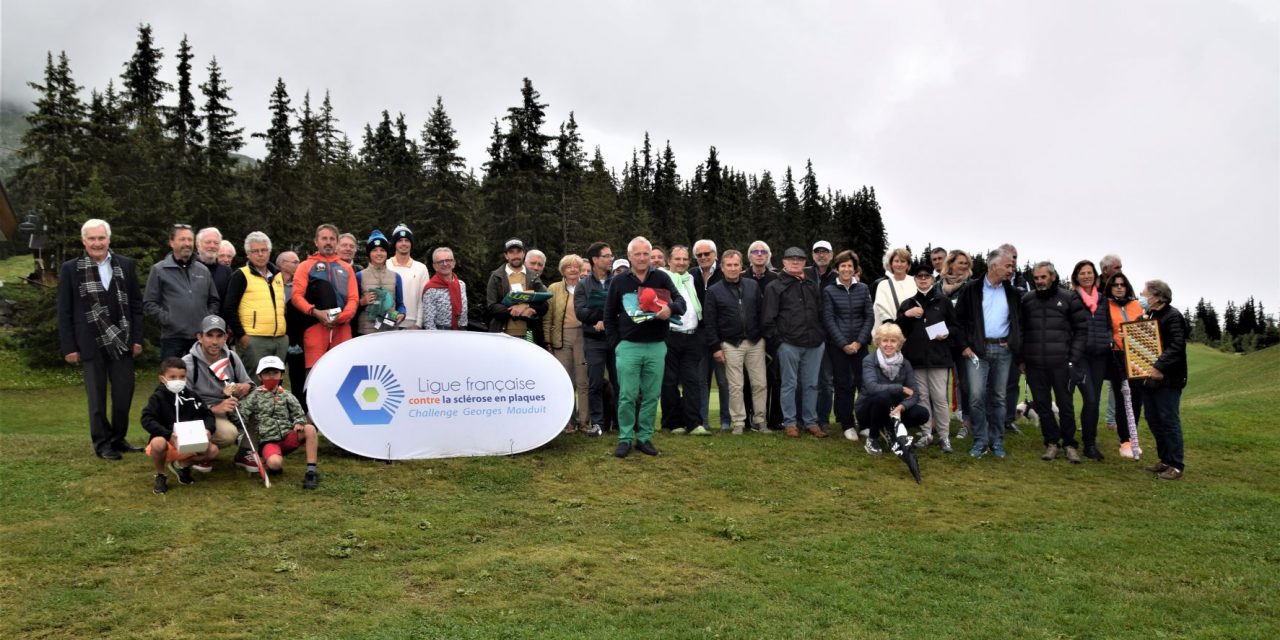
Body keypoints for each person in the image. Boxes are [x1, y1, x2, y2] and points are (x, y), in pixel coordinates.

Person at [57, 219, 145, 460]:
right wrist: (69, 346)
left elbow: (137, 305)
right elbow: (64, 311)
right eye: (92, 239)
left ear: (109, 239)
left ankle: (118, 438)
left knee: (123, 396)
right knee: (96, 398)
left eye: (101, 238)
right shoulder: (70, 269)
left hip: (122, 341)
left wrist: (137, 338)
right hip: (88, 343)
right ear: (84, 241)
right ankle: (102, 443)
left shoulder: (125, 265)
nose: (97, 243)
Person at [604, 236, 686, 458]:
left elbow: (681, 303)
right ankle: (624, 439)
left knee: (651, 395)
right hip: (628, 347)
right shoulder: (619, 282)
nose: (642, 258)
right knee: (627, 395)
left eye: (645, 254)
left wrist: (670, 308)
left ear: (651, 256)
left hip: (657, 346)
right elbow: (609, 316)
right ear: (629, 256)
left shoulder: (661, 277)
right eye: (637, 254)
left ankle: (644, 438)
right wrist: (616, 344)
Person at [953, 248, 1022, 459]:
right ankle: (980, 440)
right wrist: (964, 346)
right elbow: (958, 321)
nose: (1012, 269)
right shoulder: (971, 289)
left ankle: (997, 441)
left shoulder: (1013, 292)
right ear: (994, 266)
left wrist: (1012, 342)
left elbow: (1019, 323)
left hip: (1003, 350)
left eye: (1012, 265)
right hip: (976, 352)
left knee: (999, 398)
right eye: (1008, 265)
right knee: (975, 397)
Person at [1020, 261, 1088, 463]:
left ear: (1053, 276)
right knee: (1042, 406)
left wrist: (1072, 359)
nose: (1040, 281)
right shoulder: (1027, 299)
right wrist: (1021, 358)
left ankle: (1069, 444)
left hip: (1061, 364)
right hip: (1035, 364)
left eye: (1043, 277)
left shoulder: (1068, 297)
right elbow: (1021, 331)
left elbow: (1081, 330)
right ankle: (1051, 443)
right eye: (1037, 278)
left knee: (1065, 405)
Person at [763, 247, 827, 439]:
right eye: (791, 259)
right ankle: (790, 423)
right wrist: (780, 342)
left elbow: (821, 313)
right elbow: (767, 320)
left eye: (799, 259)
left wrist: (821, 335)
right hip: (789, 344)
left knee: (811, 385)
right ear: (783, 262)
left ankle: (810, 422)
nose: (795, 262)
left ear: (804, 262)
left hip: (814, 343)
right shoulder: (774, 287)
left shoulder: (811, 284)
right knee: (789, 384)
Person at [704, 250, 768, 435]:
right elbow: (710, 322)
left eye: (736, 265)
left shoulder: (752, 285)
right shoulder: (714, 291)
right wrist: (716, 347)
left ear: (741, 267)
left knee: (760, 384)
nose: (733, 268)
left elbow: (760, 312)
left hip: (755, 342)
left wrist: (762, 336)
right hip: (730, 344)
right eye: (729, 265)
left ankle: (760, 421)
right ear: (722, 268)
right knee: (736, 386)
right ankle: (739, 422)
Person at [182, 315, 257, 473]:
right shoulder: (188, 363)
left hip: (231, 405)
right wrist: (213, 409)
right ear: (200, 337)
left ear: (226, 338)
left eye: (219, 336)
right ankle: (201, 452)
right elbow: (183, 404)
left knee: (260, 404)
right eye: (209, 335)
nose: (214, 342)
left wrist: (244, 387)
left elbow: (250, 383)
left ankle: (245, 452)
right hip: (202, 414)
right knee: (229, 434)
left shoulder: (232, 357)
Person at [896, 260, 957, 452]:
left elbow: (956, 327)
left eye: (927, 276)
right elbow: (897, 329)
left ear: (932, 278)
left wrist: (947, 333)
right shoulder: (907, 303)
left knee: (939, 398)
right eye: (919, 277)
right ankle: (926, 434)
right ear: (914, 280)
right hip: (915, 360)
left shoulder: (943, 302)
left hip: (939, 359)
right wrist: (907, 315)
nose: (923, 279)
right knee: (921, 398)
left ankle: (945, 437)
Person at [238, 356, 321, 489]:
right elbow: (242, 416)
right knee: (275, 464)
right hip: (268, 440)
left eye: (275, 373)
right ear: (259, 376)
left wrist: (298, 422)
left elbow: (298, 412)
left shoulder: (287, 395)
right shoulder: (254, 396)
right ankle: (270, 460)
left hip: (287, 436)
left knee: (310, 428)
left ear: (281, 375)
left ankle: (311, 472)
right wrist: (234, 408)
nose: (271, 377)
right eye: (267, 373)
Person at [142, 357, 219, 494]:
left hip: (188, 442)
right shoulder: (157, 397)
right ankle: (161, 475)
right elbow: (147, 419)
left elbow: (208, 414)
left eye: (182, 377)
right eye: (172, 377)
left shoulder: (192, 396)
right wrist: (167, 434)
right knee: (158, 442)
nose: (177, 380)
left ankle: (182, 466)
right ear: (162, 378)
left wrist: (208, 429)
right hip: (167, 442)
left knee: (213, 451)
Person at [291, 224, 359, 373]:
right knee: (314, 372)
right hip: (315, 324)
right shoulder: (305, 266)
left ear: (336, 242)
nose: (328, 242)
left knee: (343, 370)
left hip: (342, 326)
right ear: (316, 241)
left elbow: (353, 298)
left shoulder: (346, 268)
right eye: (324, 238)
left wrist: (341, 317)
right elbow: (296, 296)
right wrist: (315, 312)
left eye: (332, 239)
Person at [222, 231, 288, 382]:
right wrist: (242, 336)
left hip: (279, 339)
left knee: (276, 383)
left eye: (263, 250)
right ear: (248, 254)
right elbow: (229, 308)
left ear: (269, 252)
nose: (260, 254)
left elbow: (281, 306)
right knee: (253, 383)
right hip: (254, 339)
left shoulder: (277, 275)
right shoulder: (240, 275)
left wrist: (285, 335)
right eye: (255, 251)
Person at [823, 250, 874, 442]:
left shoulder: (863, 289)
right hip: (839, 347)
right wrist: (844, 343)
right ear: (837, 269)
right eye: (842, 266)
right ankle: (847, 423)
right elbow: (828, 319)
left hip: (860, 346)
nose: (846, 269)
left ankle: (865, 423)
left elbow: (869, 317)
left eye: (849, 266)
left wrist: (859, 342)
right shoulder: (829, 291)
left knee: (864, 384)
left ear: (854, 269)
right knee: (843, 385)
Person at [856, 322, 929, 455]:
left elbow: (915, 393)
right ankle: (873, 438)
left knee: (922, 413)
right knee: (883, 397)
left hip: (894, 409)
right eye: (885, 340)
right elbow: (872, 388)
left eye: (893, 341)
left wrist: (902, 407)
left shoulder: (905, 363)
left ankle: (893, 432)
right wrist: (900, 388)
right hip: (868, 409)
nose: (888, 344)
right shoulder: (869, 360)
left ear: (899, 343)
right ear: (878, 342)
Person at [1140, 279, 1187, 480]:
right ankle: (1165, 460)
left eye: (1145, 293)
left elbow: (1176, 346)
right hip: (1149, 378)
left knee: (1169, 420)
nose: (1141, 296)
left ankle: (1176, 465)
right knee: (1153, 419)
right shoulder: (1149, 315)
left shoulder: (1173, 316)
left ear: (1158, 296)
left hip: (1169, 378)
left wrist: (1159, 367)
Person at [660, 245, 707, 435]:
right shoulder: (662, 279)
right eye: (677, 259)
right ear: (669, 261)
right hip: (669, 335)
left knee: (692, 381)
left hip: (691, 337)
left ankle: (694, 423)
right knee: (669, 382)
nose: (681, 262)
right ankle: (674, 423)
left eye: (685, 259)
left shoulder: (692, 279)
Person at [544, 254, 590, 433]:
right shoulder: (554, 288)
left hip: (583, 337)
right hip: (561, 338)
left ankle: (585, 422)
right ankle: (567, 422)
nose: (572, 269)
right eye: (568, 266)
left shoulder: (586, 286)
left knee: (583, 381)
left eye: (576, 266)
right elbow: (548, 317)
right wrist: (548, 341)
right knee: (565, 382)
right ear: (562, 270)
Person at [1070, 259, 1109, 461]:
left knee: (1093, 403)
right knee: (1091, 399)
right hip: (1080, 357)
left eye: (1090, 272)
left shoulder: (1103, 300)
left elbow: (1109, 325)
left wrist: (1108, 341)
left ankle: (1090, 442)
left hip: (1100, 357)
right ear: (1076, 276)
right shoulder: (1072, 298)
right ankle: (1084, 442)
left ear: (1095, 275)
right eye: (1082, 273)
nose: (1086, 276)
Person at [1104, 271, 1146, 459]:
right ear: (1110, 288)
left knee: (1136, 398)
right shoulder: (1105, 305)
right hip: (1116, 357)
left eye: (1122, 284)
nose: (1119, 287)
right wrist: (1114, 338)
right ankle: (1125, 441)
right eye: (1115, 285)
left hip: (1137, 357)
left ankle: (1133, 437)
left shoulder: (1137, 305)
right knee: (1122, 397)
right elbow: (1104, 330)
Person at [576, 242, 616, 435]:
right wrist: (598, 319)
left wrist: (606, 320)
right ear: (595, 260)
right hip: (593, 340)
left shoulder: (618, 280)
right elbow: (581, 311)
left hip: (616, 339)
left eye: (611, 255)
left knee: (620, 382)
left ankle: (620, 423)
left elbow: (625, 307)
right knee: (595, 383)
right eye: (606, 256)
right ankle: (598, 423)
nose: (611, 259)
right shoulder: (583, 284)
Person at [692, 239, 730, 432]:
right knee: (701, 381)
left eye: (707, 254)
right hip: (698, 337)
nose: (704, 257)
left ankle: (725, 421)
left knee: (723, 381)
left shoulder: (724, 273)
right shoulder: (691, 275)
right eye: (699, 255)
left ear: (715, 255)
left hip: (721, 336)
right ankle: (703, 421)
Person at [939, 250, 973, 439]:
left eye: (966, 264)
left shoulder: (971, 287)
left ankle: (966, 422)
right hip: (941, 344)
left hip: (963, 345)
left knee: (965, 385)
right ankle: (939, 423)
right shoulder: (938, 286)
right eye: (960, 263)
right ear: (950, 264)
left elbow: (971, 319)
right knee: (939, 385)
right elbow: (933, 313)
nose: (964, 267)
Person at [485, 238, 548, 337]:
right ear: (506, 256)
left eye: (518, 252)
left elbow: (544, 305)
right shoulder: (496, 276)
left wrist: (527, 306)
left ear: (523, 254)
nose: (515, 256)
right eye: (511, 252)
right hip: (502, 334)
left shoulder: (533, 276)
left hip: (529, 334)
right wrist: (514, 310)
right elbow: (491, 306)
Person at [806, 240, 838, 430]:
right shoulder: (805, 273)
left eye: (825, 252)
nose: (821, 255)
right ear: (813, 255)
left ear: (831, 255)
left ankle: (823, 419)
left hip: (829, 337)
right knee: (806, 380)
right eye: (817, 252)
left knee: (826, 381)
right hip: (806, 335)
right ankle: (806, 418)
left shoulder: (836, 276)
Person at [1000, 243, 1031, 435]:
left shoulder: (1023, 282)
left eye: (1015, 257)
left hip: (1015, 343)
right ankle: (991, 419)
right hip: (994, 341)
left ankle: (1008, 419)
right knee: (992, 384)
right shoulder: (989, 282)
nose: (1012, 261)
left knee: (1012, 383)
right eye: (1009, 257)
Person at [354, 230, 406, 335]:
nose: (379, 254)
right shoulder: (359, 276)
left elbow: (400, 304)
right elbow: (351, 305)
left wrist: (402, 314)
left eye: (382, 250)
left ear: (387, 253)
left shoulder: (396, 277)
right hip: (366, 332)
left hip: (390, 331)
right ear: (369, 253)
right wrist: (362, 302)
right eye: (374, 250)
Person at [275, 250, 308, 407]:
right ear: (282, 264)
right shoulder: (272, 282)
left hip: (296, 338)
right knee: (275, 374)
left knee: (297, 377)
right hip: (276, 336)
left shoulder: (300, 284)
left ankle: (299, 409)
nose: (298, 264)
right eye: (295, 262)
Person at [1098, 254, 1125, 432]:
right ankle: (1089, 420)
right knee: (1094, 383)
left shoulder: (1122, 286)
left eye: (1121, 267)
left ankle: (1111, 419)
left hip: (1117, 345)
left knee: (1117, 384)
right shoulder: (1095, 285)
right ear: (1105, 270)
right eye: (1117, 267)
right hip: (1098, 343)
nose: (1120, 271)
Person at [387, 223, 430, 330]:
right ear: (395, 244)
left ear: (411, 243)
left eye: (407, 240)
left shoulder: (421, 268)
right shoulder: (386, 265)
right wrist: (387, 322)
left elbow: (424, 298)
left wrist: (418, 324)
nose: (404, 244)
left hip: (413, 325)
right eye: (400, 240)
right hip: (389, 322)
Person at [420, 247, 469, 330]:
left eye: (448, 260)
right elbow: (429, 322)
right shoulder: (430, 289)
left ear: (454, 263)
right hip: (441, 332)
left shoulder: (461, 285)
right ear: (434, 266)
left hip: (461, 331)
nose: (445, 264)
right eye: (440, 262)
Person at [873, 247, 916, 327]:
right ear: (891, 264)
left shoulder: (915, 281)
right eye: (896, 261)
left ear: (908, 265)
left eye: (903, 261)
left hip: (915, 329)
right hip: (892, 330)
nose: (899, 264)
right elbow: (881, 309)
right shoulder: (883, 285)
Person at [196, 226, 233, 301]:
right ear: (197, 245)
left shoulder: (226, 271)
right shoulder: (188, 268)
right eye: (208, 242)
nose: (212, 246)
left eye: (216, 243)